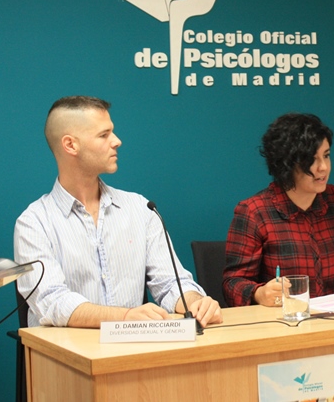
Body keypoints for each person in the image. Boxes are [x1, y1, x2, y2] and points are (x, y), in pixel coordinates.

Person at [14, 96, 222, 328]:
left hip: (133, 347)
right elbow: (52, 302)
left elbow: (171, 284)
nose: (117, 141)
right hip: (64, 349)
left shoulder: (140, 209)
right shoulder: (33, 223)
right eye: (104, 135)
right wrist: (124, 317)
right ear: (70, 145)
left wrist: (196, 302)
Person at [223, 113, 334, 307]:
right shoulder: (254, 211)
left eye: (326, 156)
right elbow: (232, 283)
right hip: (286, 318)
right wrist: (260, 293)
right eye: (311, 160)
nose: (323, 168)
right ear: (287, 163)